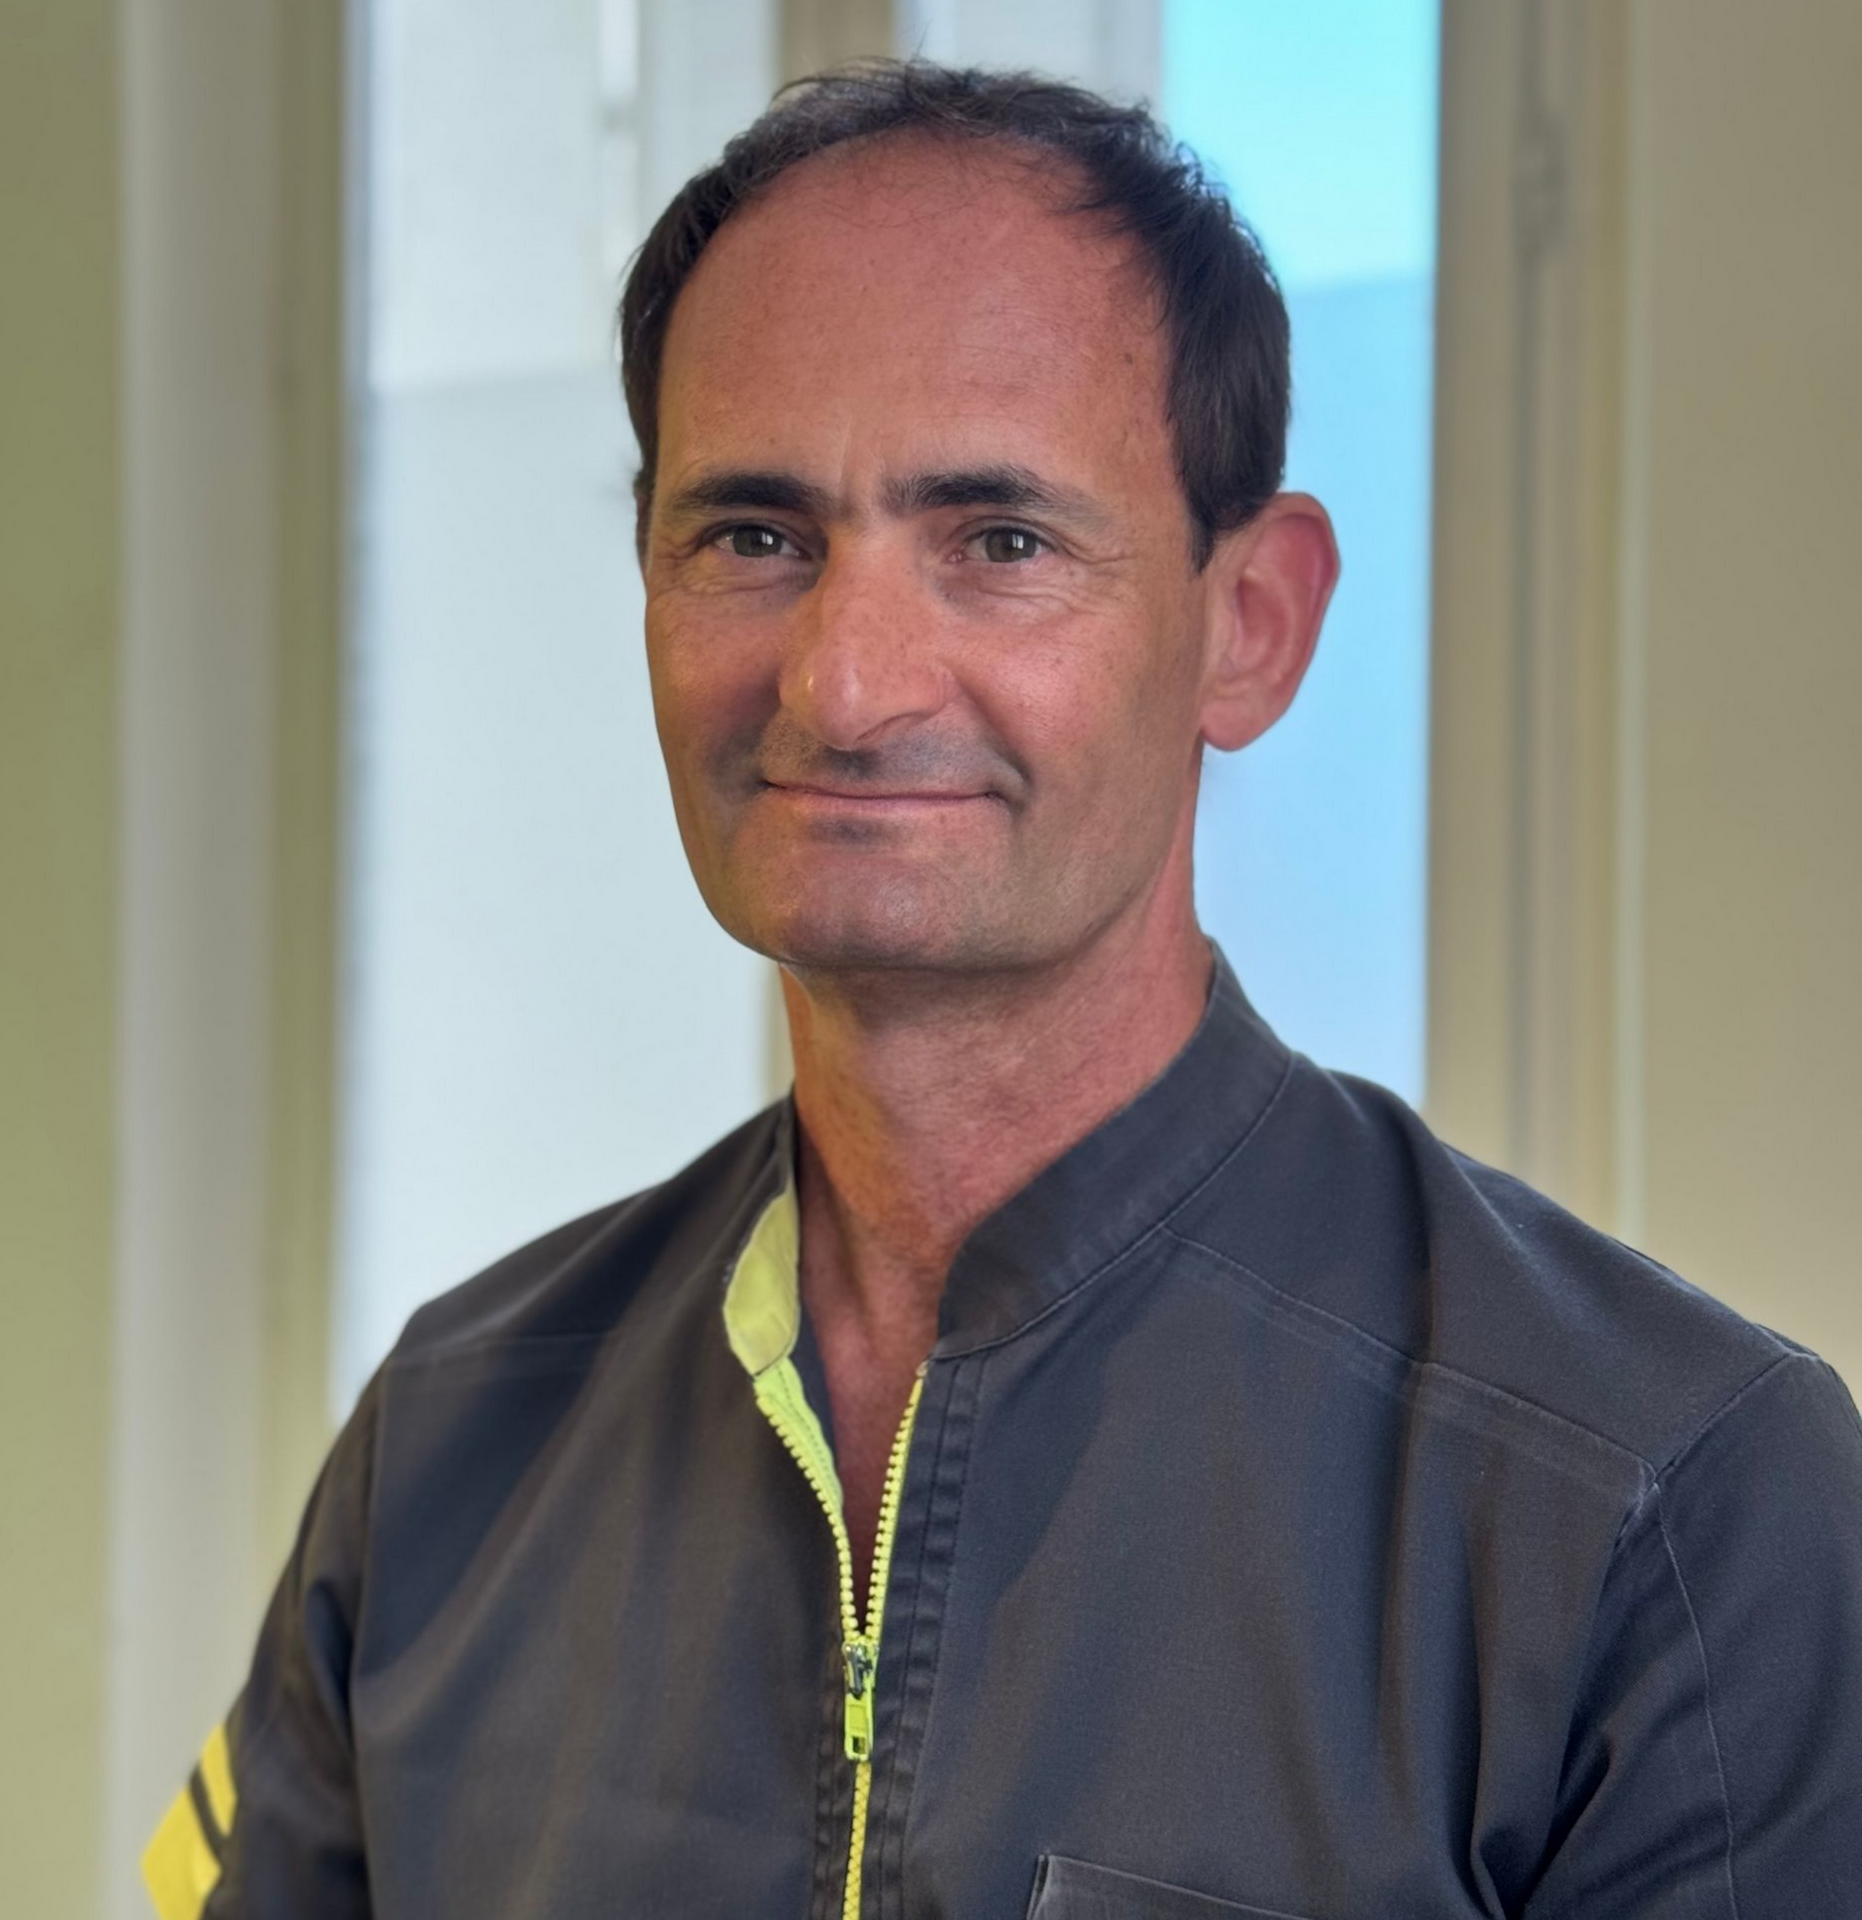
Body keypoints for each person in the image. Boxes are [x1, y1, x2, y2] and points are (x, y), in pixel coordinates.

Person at [143, 61, 1862, 1920]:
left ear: (1251, 623)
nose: (847, 683)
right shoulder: (445, 1453)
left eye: (1003, 541)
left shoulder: (1663, 1507)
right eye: (753, 537)